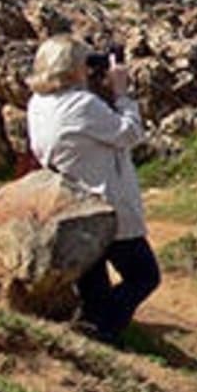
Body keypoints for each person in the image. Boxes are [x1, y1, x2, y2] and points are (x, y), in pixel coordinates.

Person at [26, 36, 159, 346]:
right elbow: (130, 133)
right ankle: (102, 331)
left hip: (73, 205)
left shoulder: (37, 103)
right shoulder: (82, 105)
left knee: (94, 284)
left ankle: (95, 331)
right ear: (73, 68)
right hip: (108, 207)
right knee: (144, 276)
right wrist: (122, 93)